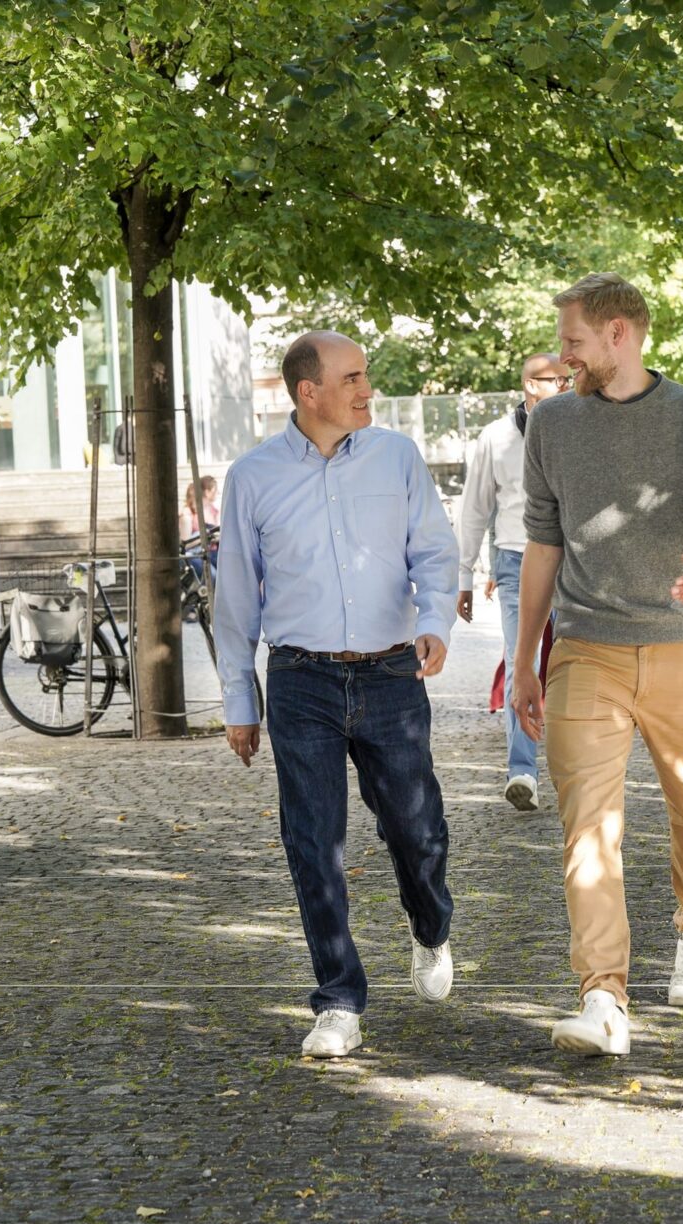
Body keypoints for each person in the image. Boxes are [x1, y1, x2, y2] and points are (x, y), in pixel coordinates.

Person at [511, 273, 683, 1058]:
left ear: (620, 334)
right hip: (586, 646)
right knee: (588, 825)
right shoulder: (551, 425)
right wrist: (524, 660)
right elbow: (543, 546)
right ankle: (604, 994)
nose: (563, 355)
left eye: (574, 340)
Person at [212, 330, 460, 1059]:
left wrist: (436, 622)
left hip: (391, 674)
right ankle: (338, 999)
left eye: (366, 376)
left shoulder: (397, 458)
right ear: (307, 392)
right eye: (351, 378)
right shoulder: (252, 476)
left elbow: (434, 551)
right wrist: (239, 700)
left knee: (418, 829)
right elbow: (234, 597)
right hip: (301, 679)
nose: (366, 389)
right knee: (312, 841)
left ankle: (431, 925)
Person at [454, 353, 573, 812]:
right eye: (553, 379)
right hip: (513, 560)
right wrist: (464, 576)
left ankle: (571, 766)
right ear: (529, 384)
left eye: (567, 377)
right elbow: (474, 508)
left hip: (570, 561)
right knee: (520, 660)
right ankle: (522, 770)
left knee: (571, 664)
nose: (563, 384)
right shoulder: (496, 438)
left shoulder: (578, 429)